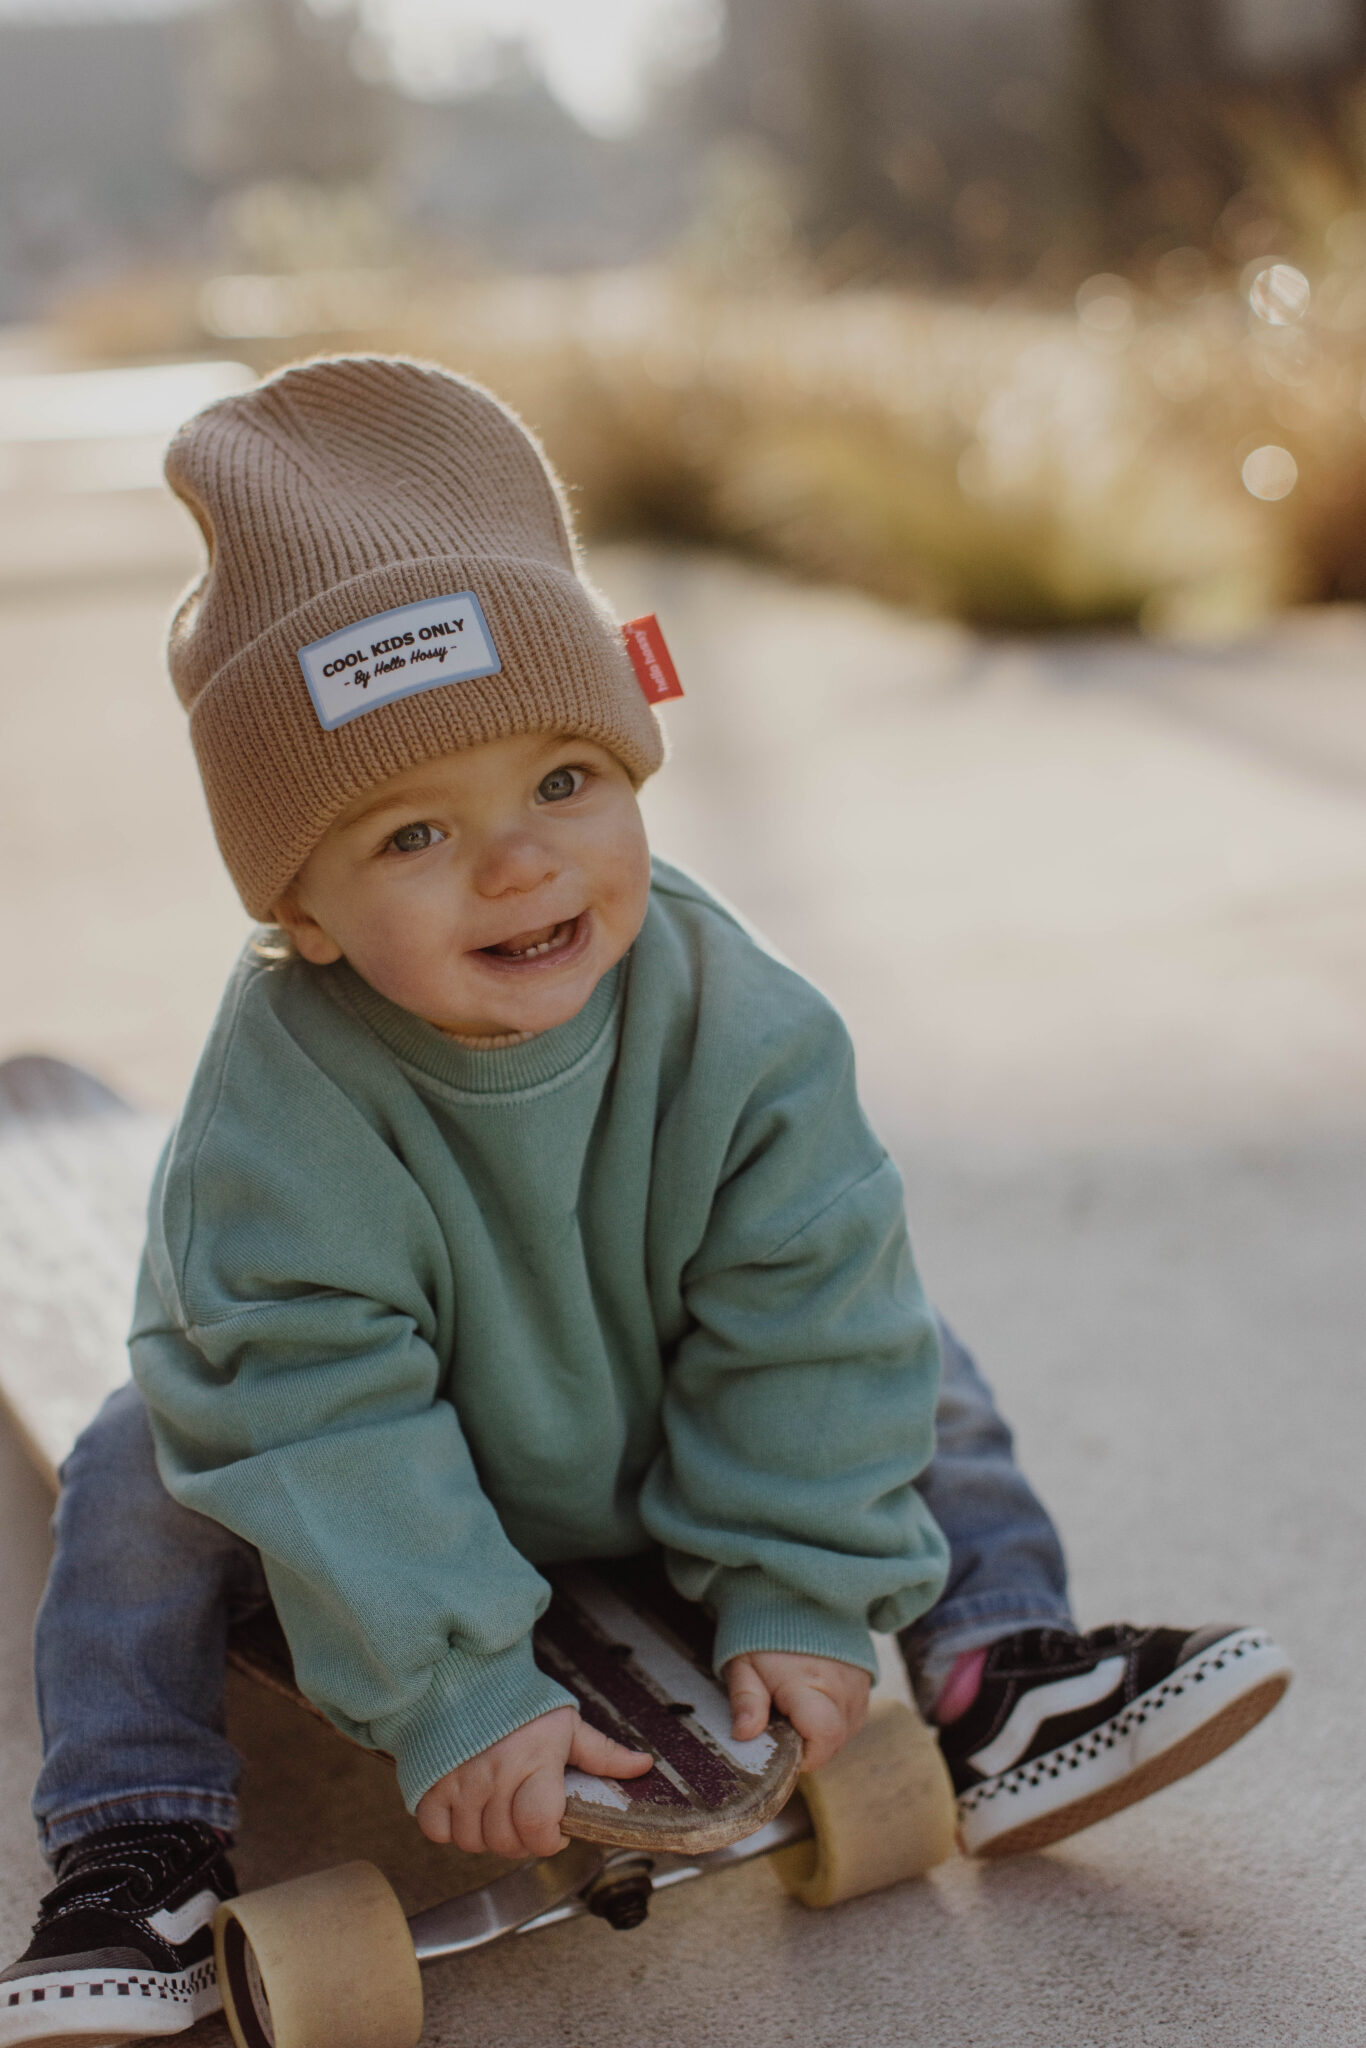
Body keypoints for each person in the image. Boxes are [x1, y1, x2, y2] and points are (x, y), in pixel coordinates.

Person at [0, 358, 1290, 2045]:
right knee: (139, 1458)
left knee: (904, 1335)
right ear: (297, 910)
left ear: (631, 761)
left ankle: (994, 1675)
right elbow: (307, 1406)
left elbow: (811, 1311)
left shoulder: (737, 1021)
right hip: (384, 1495)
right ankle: (133, 1845)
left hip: (656, 1428)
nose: (522, 863)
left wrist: (802, 1590)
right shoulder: (280, 1117)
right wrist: (454, 1687)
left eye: (562, 782)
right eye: (409, 835)